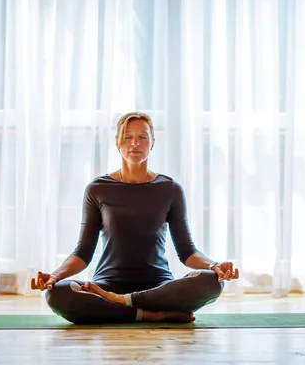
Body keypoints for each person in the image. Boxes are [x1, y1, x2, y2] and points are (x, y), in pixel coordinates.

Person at [31, 112, 239, 324]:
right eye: (128, 137)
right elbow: (83, 253)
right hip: (107, 286)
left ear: (153, 143)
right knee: (57, 294)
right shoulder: (97, 189)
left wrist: (215, 266)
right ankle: (147, 313)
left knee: (213, 282)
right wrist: (54, 276)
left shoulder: (170, 189)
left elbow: (187, 252)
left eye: (142, 137)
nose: (135, 143)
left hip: (158, 288)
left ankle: (123, 303)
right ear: (117, 142)